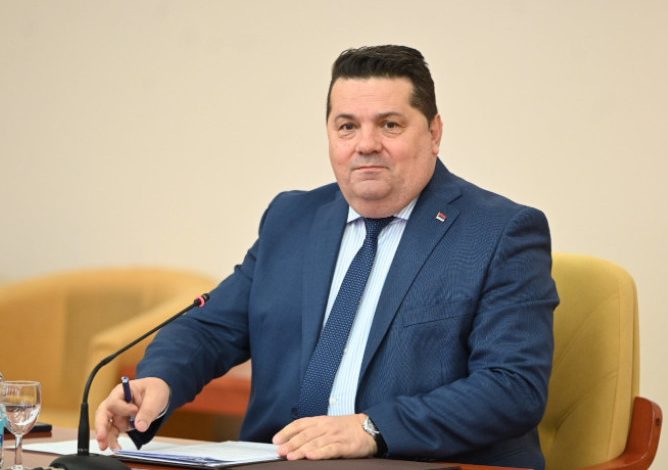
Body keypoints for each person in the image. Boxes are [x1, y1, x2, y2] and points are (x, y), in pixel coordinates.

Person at [95, 45, 559, 469]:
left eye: (390, 125)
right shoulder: (292, 219)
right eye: (347, 126)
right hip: (277, 460)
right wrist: (160, 381)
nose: (366, 144)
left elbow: (512, 386)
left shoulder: (499, 232)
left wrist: (371, 429)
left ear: (434, 133)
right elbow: (211, 327)